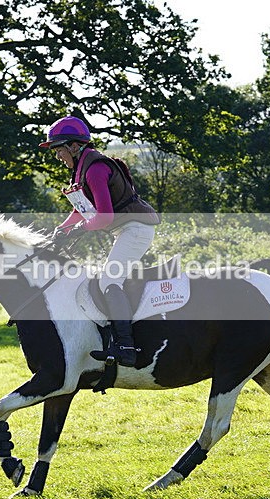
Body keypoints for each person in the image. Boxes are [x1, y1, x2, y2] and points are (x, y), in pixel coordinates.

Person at [40, 116, 160, 367]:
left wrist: (75, 231)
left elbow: (103, 217)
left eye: (59, 150)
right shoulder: (83, 167)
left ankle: (126, 347)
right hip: (127, 229)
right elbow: (82, 209)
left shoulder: (94, 169)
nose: (58, 156)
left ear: (74, 146)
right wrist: (61, 230)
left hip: (136, 229)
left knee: (109, 280)